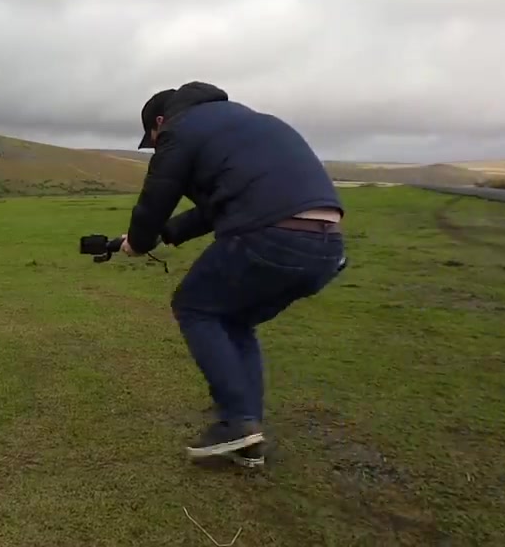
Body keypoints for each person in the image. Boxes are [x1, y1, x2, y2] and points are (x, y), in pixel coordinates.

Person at [114, 81, 346, 467]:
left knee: (194, 306)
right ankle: (247, 433)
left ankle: (238, 422)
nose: (157, 147)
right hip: (327, 244)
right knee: (235, 320)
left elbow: (156, 197)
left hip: (271, 234)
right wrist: (166, 235)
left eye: (154, 141)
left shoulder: (180, 128)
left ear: (159, 122)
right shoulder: (245, 123)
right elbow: (217, 206)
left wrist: (138, 242)